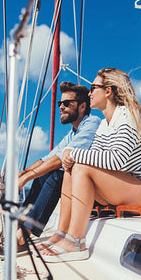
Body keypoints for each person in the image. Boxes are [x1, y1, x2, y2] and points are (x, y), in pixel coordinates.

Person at [41, 67, 141, 262]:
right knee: (71, 168)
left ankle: (76, 241)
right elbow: (96, 157)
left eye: (93, 88)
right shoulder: (104, 124)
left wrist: (73, 152)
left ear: (108, 91)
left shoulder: (128, 115)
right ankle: (62, 233)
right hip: (129, 186)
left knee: (81, 165)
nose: (90, 93)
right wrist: (70, 158)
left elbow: (116, 160)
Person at [17, 81, 101, 249]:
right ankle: (20, 225)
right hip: (77, 188)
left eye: (66, 103)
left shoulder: (93, 123)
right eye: (59, 103)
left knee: (55, 175)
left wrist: (25, 178)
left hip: (93, 190)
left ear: (83, 106)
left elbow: (61, 159)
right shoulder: (72, 133)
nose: (61, 107)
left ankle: (24, 235)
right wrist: (21, 175)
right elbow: (48, 158)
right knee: (43, 175)